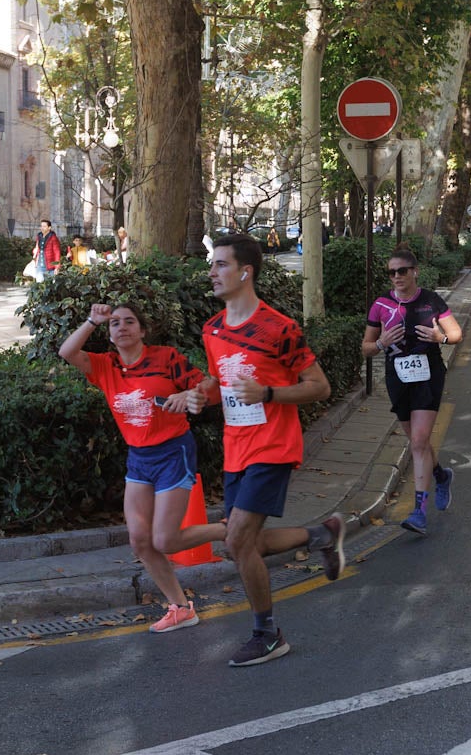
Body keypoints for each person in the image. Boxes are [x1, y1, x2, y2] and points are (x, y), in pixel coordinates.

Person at [201, 233, 343, 666]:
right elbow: (218, 386)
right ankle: (322, 534)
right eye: (212, 264)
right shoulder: (212, 329)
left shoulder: (279, 329)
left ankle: (267, 633)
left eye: (220, 264)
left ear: (246, 272)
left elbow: (320, 387)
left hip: (273, 445)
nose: (212, 273)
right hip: (235, 447)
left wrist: (267, 393)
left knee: (238, 538)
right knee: (244, 544)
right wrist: (196, 395)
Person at [59, 302, 221, 634]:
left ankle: (230, 529)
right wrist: (93, 320)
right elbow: (67, 351)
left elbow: (209, 389)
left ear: (142, 330)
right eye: (115, 323)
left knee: (165, 540)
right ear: (110, 335)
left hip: (173, 451)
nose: (122, 327)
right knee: (140, 541)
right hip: (139, 458)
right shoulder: (106, 366)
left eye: (130, 321)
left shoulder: (166, 358)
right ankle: (179, 607)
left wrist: (189, 394)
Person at [363, 249, 462, 536]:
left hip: (428, 373)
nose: (396, 277)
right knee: (416, 440)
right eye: (391, 272)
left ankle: (419, 512)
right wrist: (380, 343)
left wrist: (439, 337)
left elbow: (455, 335)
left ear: (415, 271)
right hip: (398, 376)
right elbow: (366, 348)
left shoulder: (431, 300)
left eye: (402, 271)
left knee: (419, 441)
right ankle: (441, 476)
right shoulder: (380, 305)